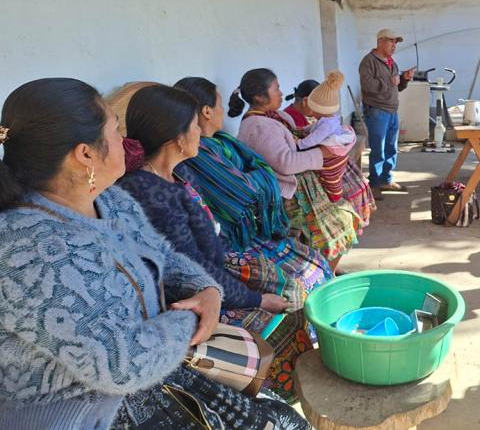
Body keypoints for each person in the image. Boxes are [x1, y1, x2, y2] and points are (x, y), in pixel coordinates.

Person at [0, 78, 308, 429]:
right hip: (89, 413)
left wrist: (207, 290)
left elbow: (162, 254)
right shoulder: (27, 250)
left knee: (282, 418)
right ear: (85, 154)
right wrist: (196, 317)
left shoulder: (109, 199)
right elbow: (122, 364)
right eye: (116, 132)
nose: (126, 143)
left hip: (156, 371)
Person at [118, 84, 329, 401]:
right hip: (185, 301)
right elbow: (191, 272)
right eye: (193, 125)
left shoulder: (174, 175)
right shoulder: (150, 193)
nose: (199, 131)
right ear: (176, 138)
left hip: (210, 271)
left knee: (296, 277)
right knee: (285, 306)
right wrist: (256, 300)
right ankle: (280, 392)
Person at [228, 69, 366, 270]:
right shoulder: (259, 125)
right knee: (342, 225)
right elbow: (286, 163)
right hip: (289, 194)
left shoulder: (270, 117)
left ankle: (326, 271)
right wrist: (323, 154)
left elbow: (296, 137)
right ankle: (323, 278)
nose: (282, 93)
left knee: (342, 219)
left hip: (301, 187)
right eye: (276, 89)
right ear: (259, 96)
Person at [359, 28, 415, 200]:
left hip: (391, 111)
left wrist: (404, 78)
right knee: (378, 150)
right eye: (391, 41)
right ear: (380, 41)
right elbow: (368, 86)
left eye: (396, 42)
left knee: (391, 148)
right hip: (377, 111)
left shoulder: (392, 62)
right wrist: (388, 81)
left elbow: (396, 87)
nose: (394, 45)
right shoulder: (368, 62)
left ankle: (386, 179)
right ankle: (374, 184)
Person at [296, 71, 356, 203]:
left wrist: (299, 144)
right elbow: (314, 128)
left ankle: (335, 194)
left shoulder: (326, 126)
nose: (311, 112)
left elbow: (314, 139)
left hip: (334, 157)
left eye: (313, 109)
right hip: (333, 150)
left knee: (331, 176)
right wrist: (304, 129)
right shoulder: (327, 119)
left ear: (319, 110)